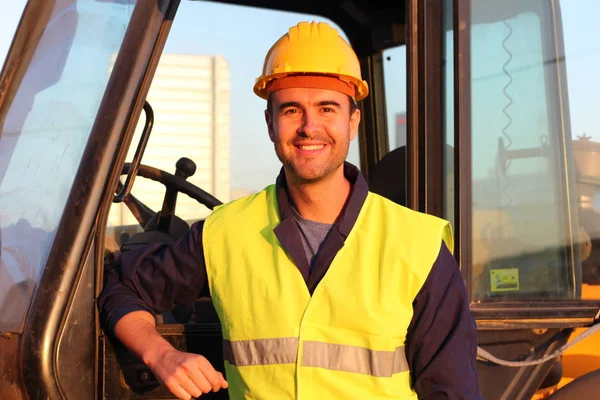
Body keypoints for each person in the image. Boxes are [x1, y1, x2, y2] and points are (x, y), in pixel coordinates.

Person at [98, 21, 482, 400]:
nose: (309, 126)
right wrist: (160, 354)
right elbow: (122, 288)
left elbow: (452, 391)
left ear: (352, 122)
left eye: (327, 109)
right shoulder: (224, 233)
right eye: (292, 111)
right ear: (270, 123)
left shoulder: (418, 246)